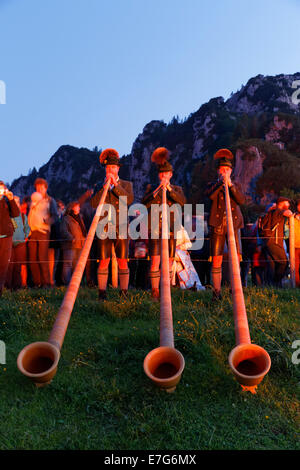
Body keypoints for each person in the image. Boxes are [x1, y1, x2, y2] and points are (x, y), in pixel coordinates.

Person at [142, 147, 186, 300]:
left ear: (171, 174)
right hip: (155, 228)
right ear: (159, 175)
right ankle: (155, 291)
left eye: (166, 174)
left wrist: (169, 190)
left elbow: (182, 202)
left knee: (169, 261)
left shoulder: (177, 189)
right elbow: (145, 203)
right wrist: (157, 191)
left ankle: (165, 289)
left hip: (172, 229)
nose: (164, 177)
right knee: (155, 260)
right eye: (162, 174)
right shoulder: (151, 189)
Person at [90, 149, 134, 300]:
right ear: (106, 170)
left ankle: (124, 292)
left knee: (122, 261)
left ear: (118, 169)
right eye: (108, 168)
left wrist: (115, 186)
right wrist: (104, 188)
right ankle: (102, 293)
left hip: (121, 227)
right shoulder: (99, 185)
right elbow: (93, 204)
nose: (111, 170)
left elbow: (128, 200)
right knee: (103, 261)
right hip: (104, 227)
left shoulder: (127, 184)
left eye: (113, 168)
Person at [205, 149, 245, 301]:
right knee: (216, 259)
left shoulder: (237, 184)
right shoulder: (212, 185)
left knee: (236, 257)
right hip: (217, 225)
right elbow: (211, 196)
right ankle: (216, 291)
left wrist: (231, 186)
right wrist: (221, 184)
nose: (224, 172)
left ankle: (236, 290)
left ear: (231, 171)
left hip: (233, 225)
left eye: (227, 170)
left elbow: (241, 200)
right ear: (218, 171)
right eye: (222, 170)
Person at [27, 178, 58, 288]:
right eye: (37, 187)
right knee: (32, 259)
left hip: (43, 232)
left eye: (42, 187)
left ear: (46, 188)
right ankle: (37, 283)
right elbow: (29, 216)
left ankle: (46, 283)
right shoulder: (32, 201)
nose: (39, 189)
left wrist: (47, 221)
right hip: (32, 232)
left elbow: (55, 215)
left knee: (42, 257)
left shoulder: (50, 200)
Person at [260, 196, 293, 287]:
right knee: (284, 262)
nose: (288, 205)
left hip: (269, 241)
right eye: (287, 203)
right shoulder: (277, 211)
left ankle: (273, 286)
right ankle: (276, 282)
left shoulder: (273, 212)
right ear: (281, 203)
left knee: (273, 265)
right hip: (273, 242)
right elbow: (288, 213)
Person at [5, 195, 30, 290]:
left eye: (17, 202)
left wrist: (25, 236)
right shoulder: (6, 215)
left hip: (20, 244)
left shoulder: (23, 216)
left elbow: (27, 228)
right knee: (9, 266)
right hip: (9, 243)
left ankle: (17, 287)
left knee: (18, 266)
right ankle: (8, 287)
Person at [0, 181, 20, 297]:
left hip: (7, 236)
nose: (1, 192)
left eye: (2, 189)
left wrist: (11, 200)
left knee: (3, 265)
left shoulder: (7, 202)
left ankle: (0, 292)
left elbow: (16, 214)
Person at [60, 201, 87, 285]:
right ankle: (67, 283)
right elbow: (63, 231)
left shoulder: (79, 218)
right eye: (77, 206)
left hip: (79, 245)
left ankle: (75, 284)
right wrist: (71, 238)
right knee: (68, 264)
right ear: (72, 208)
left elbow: (83, 231)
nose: (79, 208)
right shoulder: (66, 218)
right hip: (70, 245)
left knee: (77, 265)